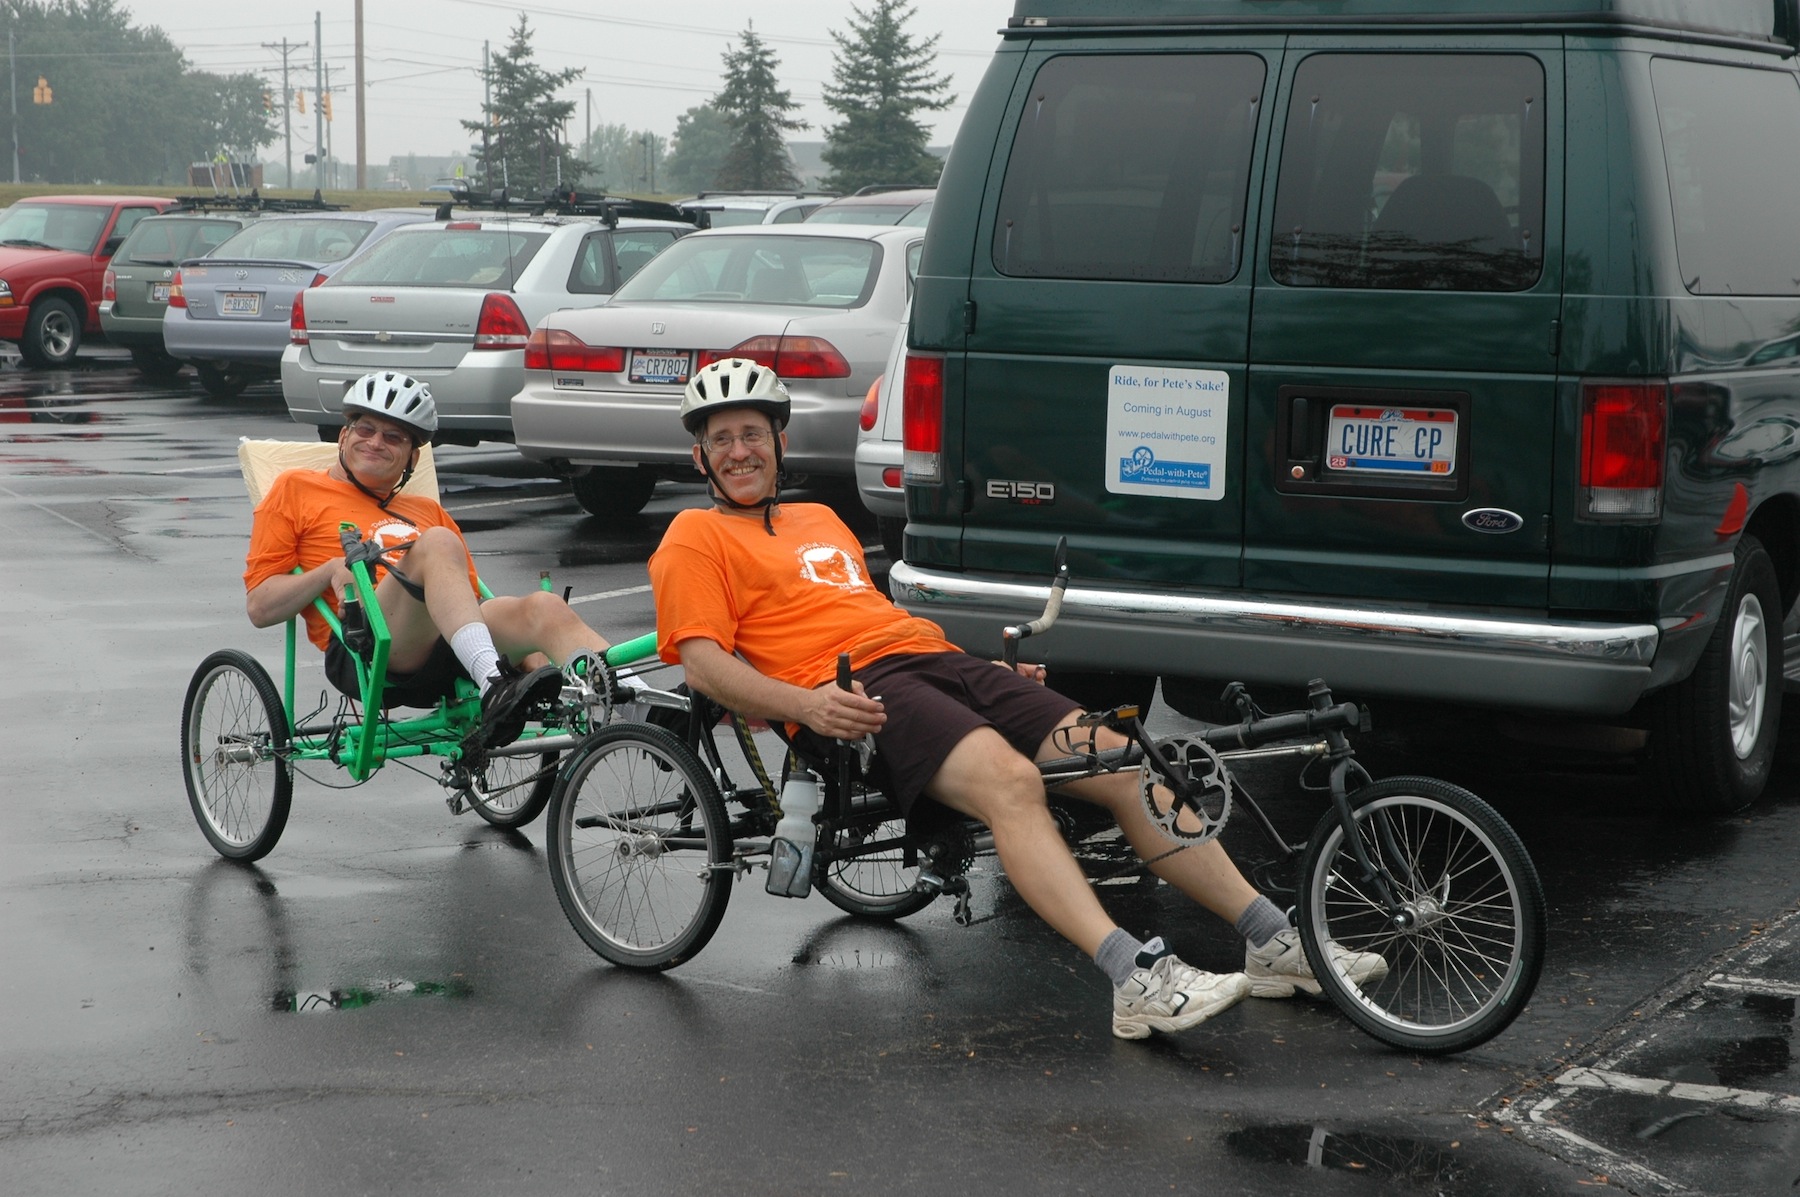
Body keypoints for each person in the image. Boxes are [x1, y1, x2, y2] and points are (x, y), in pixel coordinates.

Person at [648, 358, 1387, 1040]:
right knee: (1013, 785)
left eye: (753, 434)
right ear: (700, 458)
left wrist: (977, 670)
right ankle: (1134, 975)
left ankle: (1269, 938)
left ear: (779, 443)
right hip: (859, 696)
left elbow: (869, 615)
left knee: (1127, 760)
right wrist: (804, 706)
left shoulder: (819, 518)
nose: (740, 451)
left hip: (937, 662)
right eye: (723, 440)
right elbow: (707, 665)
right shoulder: (694, 536)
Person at [244, 370, 619, 754]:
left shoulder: (427, 510)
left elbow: (470, 602)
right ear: (343, 435)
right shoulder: (295, 488)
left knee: (543, 607)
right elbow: (260, 605)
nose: (375, 443)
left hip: (450, 651)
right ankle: (494, 684)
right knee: (436, 543)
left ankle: (644, 707)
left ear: (412, 456)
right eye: (365, 429)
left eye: (393, 437)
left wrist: (530, 657)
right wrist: (328, 570)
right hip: (369, 650)